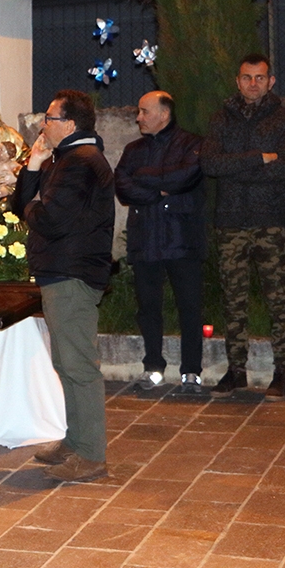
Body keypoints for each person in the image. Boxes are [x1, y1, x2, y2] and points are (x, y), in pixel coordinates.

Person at [12, 89, 114, 483]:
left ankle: (91, 456)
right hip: (61, 271)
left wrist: (32, 208)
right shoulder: (67, 158)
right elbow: (20, 206)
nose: (42, 125)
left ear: (69, 124)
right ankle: (75, 440)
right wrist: (34, 164)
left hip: (72, 273)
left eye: (49, 118)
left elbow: (50, 219)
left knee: (78, 365)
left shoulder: (80, 162)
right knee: (65, 363)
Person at [201, 54, 285, 400]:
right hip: (230, 221)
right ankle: (236, 370)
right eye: (247, 77)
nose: (253, 84)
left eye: (260, 77)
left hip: (271, 221)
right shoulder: (221, 118)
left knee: (279, 298)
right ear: (237, 80)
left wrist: (236, 169)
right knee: (233, 299)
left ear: (270, 81)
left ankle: (284, 372)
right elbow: (210, 164)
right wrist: (258, 158)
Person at [114, 91, 207, 394]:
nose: (138, 118)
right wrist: (158, 190)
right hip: (145, 239)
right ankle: (153, 366)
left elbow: (185, 177)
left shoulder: (192, 144)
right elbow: (123, 186)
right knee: (148, 307)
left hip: (181, 238)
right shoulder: (133, 149)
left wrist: (143, 178)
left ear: (164, 114)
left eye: (144, 112)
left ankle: (191, 371)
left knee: (189, 307)